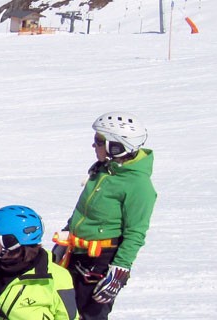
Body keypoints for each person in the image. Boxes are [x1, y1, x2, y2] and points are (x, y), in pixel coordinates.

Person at [51, 112, 157, 320]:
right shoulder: (104, 171)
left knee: (88, 314)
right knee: (61, 309)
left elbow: (135, 233)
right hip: (77, 253)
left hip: (99, 261)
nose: (94, 146)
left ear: (116, 147)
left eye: (99, 142)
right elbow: (82, 211)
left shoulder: (138, 185)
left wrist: (119, 272)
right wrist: (64, 238)